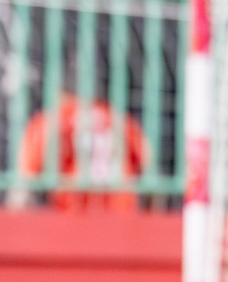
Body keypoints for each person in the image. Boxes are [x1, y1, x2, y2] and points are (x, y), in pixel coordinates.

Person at [10, 91, 150, 212]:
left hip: (73, 213)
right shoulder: (117, 117)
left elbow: (23, 183)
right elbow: (149, 165)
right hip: (121, 210)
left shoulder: (51, 120)